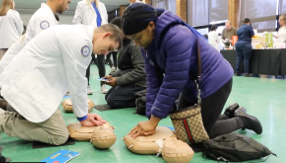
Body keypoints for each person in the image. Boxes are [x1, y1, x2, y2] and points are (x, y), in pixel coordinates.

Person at [122, 4, 262, 148]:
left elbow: (173, 81)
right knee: (183, 128)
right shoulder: (147, 46)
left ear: (151, 25)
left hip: (216, 80)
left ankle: (243, 120)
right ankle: (229, 114)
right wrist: (150, 119)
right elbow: (153, 82)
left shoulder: (176, 35)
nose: (136, 43)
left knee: (197, 136)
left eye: (137, 37)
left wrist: (153, 122)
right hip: (191, 83)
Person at [0, 24, 123, 149]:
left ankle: (2, 112)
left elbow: (75, 78)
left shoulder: (79, 33)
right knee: (58, 135)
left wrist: (83, 113)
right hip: (30, 84)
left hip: (28, 79)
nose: (106, 53)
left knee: (42, 116)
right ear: (106, 35)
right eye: (109, 47)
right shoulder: (82, 41)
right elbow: (77, 80)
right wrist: (83, 116)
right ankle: (0, 121)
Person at [0, 0, 71, 81]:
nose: (67, 7)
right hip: (13, 43)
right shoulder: (43, 17)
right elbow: (21, 29)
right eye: (68, 2)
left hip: (2, 43)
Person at [103, 18, 146, 108]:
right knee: (108, 97)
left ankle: (143, 98)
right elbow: (126, 69)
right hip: (133, 81)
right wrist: (113, 75)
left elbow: (141, 70)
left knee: (112, 100)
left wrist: (118, 80)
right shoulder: (124, 44)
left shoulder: (135, 45)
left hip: (142, 83)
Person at [73, 0, 109, 95]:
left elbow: (105, 21)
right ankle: (87, 85)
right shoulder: (81, 4)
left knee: (101, 62)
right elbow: (76, 21)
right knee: (87, 62)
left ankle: (103, 84)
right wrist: (85, 32)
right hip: (88, 37)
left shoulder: (101, 5)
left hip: (100, 38)